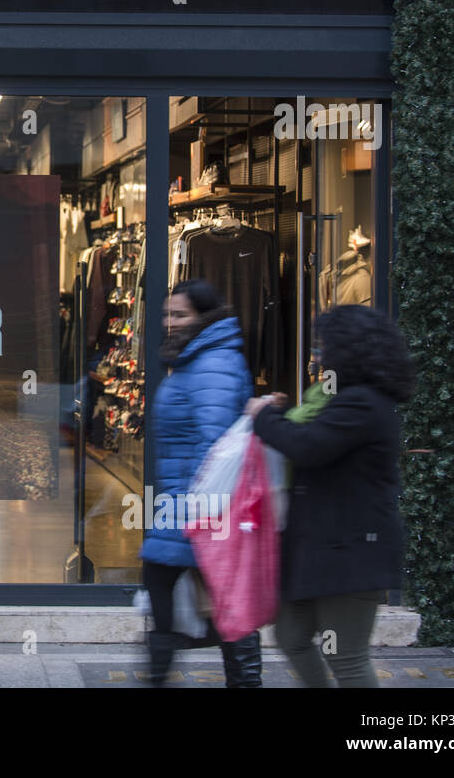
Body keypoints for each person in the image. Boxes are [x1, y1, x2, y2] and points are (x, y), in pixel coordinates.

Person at [245, 304, 415, 688]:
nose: (318, 355)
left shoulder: (365, 402)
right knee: (290, 637)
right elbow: (315, 439)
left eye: (325, 345)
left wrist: (263, 417)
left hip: (351, 552)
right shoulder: (343, 398)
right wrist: (280, 414)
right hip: (316, 548)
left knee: (346, 658)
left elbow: (309, 446)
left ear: (350, 348)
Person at [140, 279, 260, 687]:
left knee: (215, 597)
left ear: (203, 317)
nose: (170, 323)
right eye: (166, 314)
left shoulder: (213, 363)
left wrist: (204, 510)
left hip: (202, 502)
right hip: (185, 499)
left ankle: (237, 680)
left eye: (180, 315)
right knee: (205, 594)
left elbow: (218, 444)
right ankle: (167, 673)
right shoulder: (196, 358)